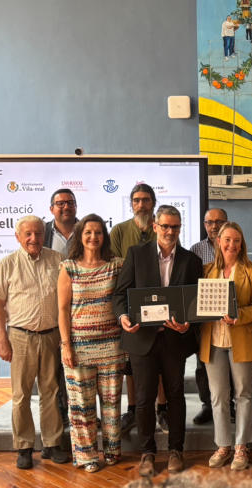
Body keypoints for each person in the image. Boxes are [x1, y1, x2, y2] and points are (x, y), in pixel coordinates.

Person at [113, 205, 203, 476]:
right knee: (143, 398)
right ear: (155, 226)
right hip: (142, 338)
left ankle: (176, 450)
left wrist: (189, 323)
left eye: (175, 227)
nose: (170, 231)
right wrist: (123, 317)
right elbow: (120, 294)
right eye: (165, 226)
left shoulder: (191, 260)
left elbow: (197, 302)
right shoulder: (136, 254)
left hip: (175, 338)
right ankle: (147, 453)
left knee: (175, 396)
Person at [0, 215, 70, 470]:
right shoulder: (8, 263)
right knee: (21, 395)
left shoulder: (57, 259)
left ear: (44, 235)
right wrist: (3, 340)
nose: (34, 238)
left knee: (51, 392)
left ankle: (52, 444)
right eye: (28, 234)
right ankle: (24, 447)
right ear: (18, 237)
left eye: (38, 233)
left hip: (52, 336)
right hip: (20, 338)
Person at [57, 214, 126, 473]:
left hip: (112, 346)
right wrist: (66, 345)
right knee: (81, 407)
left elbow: (124, 300)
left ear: (104, 236)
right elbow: (63, 310)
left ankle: (112, 451)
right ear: (80, 236)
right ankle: (87, 457)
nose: (93, 237)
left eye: (98, 232)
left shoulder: (116, 265)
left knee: (111, 404)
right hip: (78, 348)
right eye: (88, 232)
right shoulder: (69, 268)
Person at [200, 222, 252, 471]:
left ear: (242, 244)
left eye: (237, 240)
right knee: (218, 396)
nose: (232, 245)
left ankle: (241, 447)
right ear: (218, 242)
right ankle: (223, 445)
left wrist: (238, 314)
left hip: (242, 338)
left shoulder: (251, 271)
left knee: (243, 394)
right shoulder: (206, 271)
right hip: (213, 340)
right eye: (227, 240)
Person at [111, 184, 167, 434]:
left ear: (153, 203)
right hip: (130, 306)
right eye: (136, 200)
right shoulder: (119, 231)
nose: (141, 205)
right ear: (131, 204)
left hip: (161, 303)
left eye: (146, 200)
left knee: (162, 360)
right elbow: (114, 267)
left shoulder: (163, 228)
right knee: (131, 364)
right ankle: (132, 410)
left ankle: (162, 409)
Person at [190, 207, 231, 426]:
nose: (214, 226)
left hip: (230, 318)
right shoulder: (196, 249)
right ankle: (207, 405)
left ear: (227, 222)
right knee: (203, 364)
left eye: (219, 221)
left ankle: (229, 405)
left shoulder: (234, 246)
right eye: (209, 222)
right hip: (205, 318)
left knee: (232, 365)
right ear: (204, 225)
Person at [43, 188, 80, 424]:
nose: (66, 207)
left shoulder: (87, 229)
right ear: (52, 208)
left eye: (70, 202)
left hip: (84, 304)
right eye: (60, 203)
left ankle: (83, 411)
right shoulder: (43, 232)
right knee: (57, 364)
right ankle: (61, 412)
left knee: (79, 361)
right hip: (53, 306)